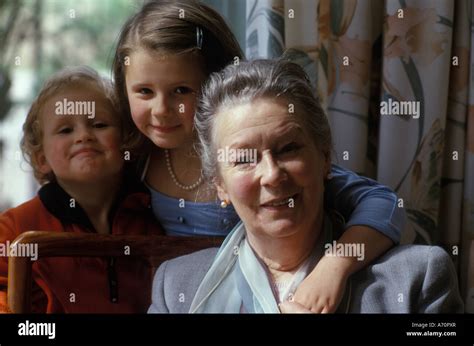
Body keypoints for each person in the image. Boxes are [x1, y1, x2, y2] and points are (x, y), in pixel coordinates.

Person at [113, 0, 406, 313]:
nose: (161, 110)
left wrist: (333, 267)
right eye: (144, 91)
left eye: (181, 90)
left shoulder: (272, 164)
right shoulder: (134, 160)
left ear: (217, 85)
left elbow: (383, 204)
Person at [148, 59, 464, 313]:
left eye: (288, 149)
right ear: (220, 186)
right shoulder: (176, 287)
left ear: (325, 158)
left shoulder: (417, 279)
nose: (272, 174)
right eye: (244, 158)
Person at [0, 66, 162, 313]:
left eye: (99, 124)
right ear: (42, 158)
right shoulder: (14, 228)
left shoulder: (154, 214)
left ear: (125, 140)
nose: (84, 135)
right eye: (66, 130)